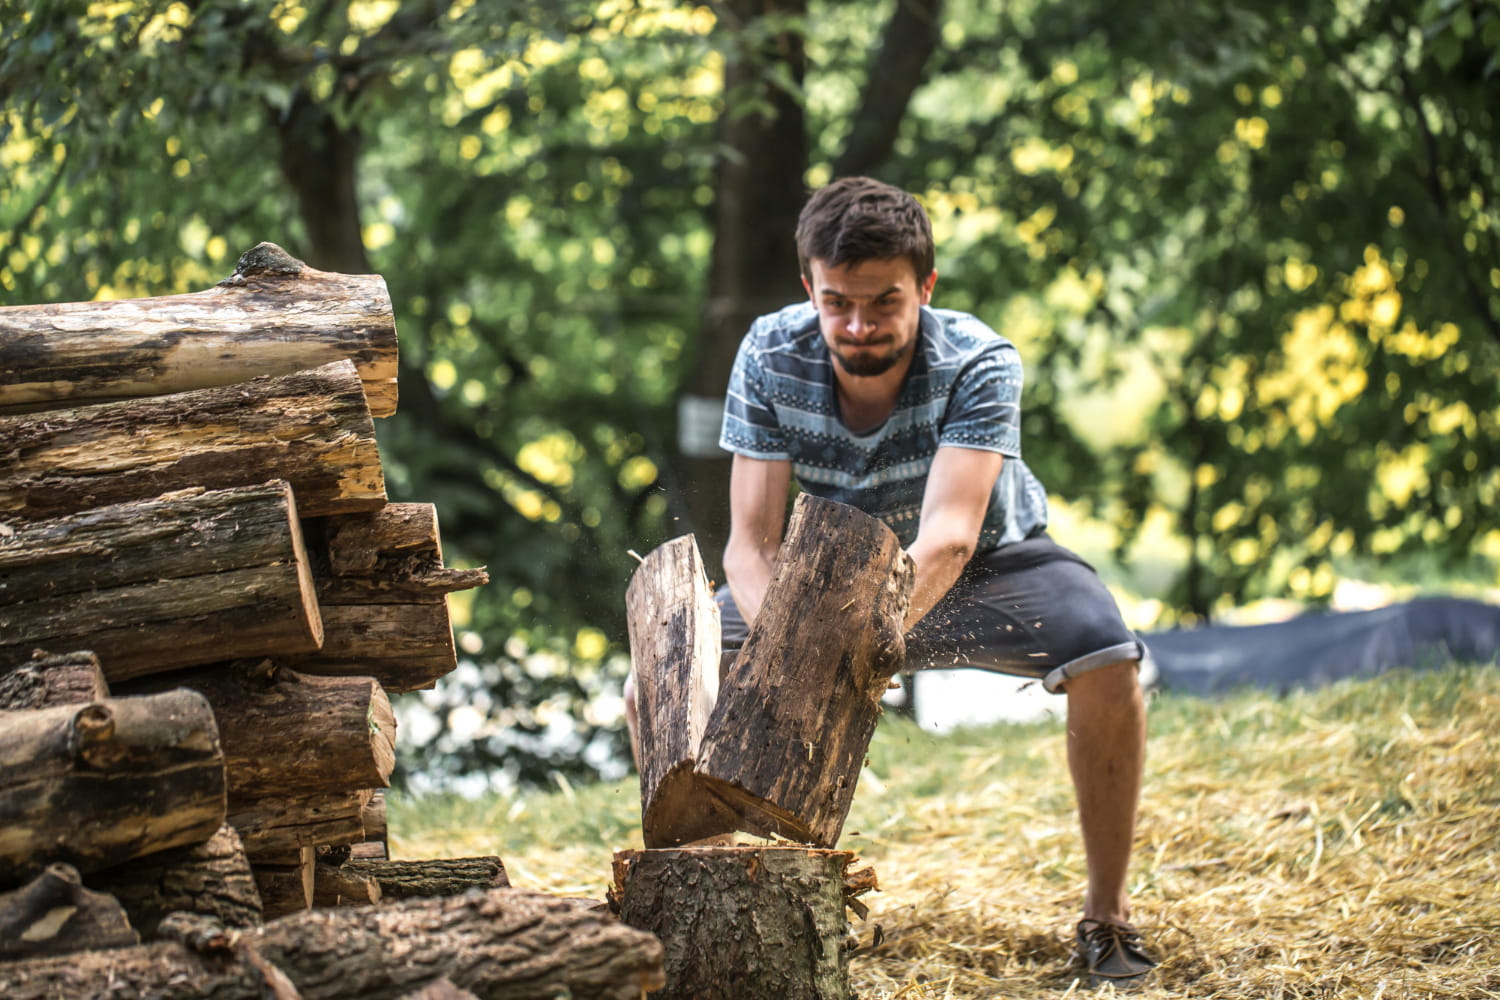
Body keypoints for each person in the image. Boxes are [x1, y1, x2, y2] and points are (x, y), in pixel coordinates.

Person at [628, 176, 1154, 986]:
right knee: (658, 684)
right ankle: (712, 915)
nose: (859, 325)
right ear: (808, 286)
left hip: (982, 570)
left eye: (884, 303)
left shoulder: (979, 359)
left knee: (1108, 654)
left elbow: (949, 536)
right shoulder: (770, 352)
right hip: (822, 584)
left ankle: (1108, 920)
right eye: (837, 302)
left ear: (926, 287)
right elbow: (749, 548)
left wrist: (846, 659)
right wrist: (792, 660)